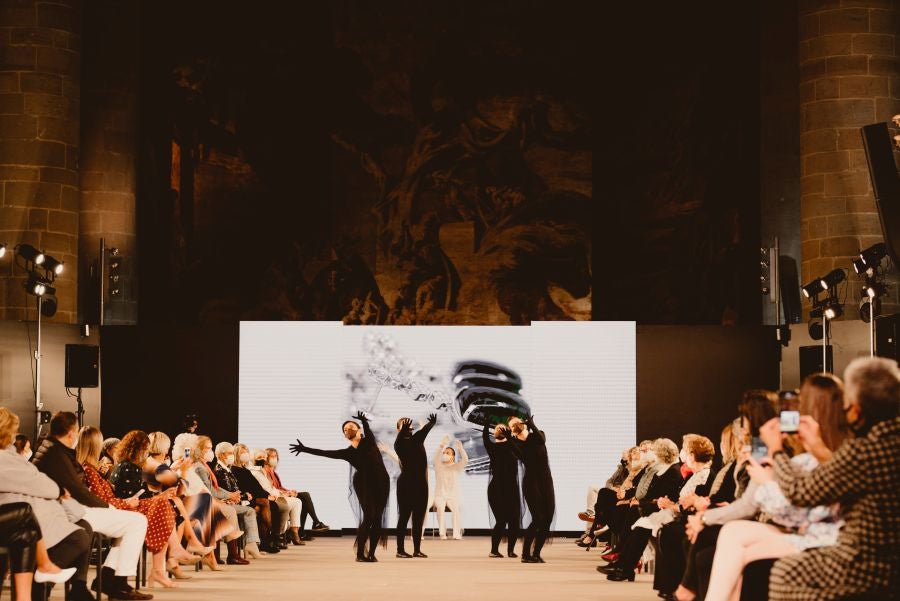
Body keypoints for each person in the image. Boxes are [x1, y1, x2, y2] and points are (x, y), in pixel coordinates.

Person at [761, 357, 900, 601]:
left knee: (785, 572)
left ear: (857, 407)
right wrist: (817, 448)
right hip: (890, 560)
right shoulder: (885, 444)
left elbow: (800, 491)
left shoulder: (864, 450)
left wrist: (776, 451)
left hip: (866, 564)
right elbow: (845, 476)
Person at [704, 373, 848, 601]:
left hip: (819, 536)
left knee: (736, 548)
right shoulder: (804, 454)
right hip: (803, 529)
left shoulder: (783, 449)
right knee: (733, 537)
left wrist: (767, 479)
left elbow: (791, 513)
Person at [32, 412, 152, 601]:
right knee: (137, 522)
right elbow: (79, 491)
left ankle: (109, 580)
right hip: (67, 510)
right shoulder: (56, 453)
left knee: (133, 523)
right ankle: (114, 581)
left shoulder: (50, 448)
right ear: (71, 433)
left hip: (66, 507)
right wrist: (110, 508)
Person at [0, 408, 93, 601]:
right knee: (76, 535)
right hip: (19, 511)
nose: (14, 436)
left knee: (29, 533)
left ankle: (60, 584)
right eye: (13, 431)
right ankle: (44, 573)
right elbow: (35, 482)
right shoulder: (5, 459)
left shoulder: (10, 456)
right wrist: (58, 491)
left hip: (25, 512)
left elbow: (32, 480)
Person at [79, 428, 182, 589]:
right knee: (152, 512)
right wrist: (126, 503)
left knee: (162, 505)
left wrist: (127, 501)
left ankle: (114, 577)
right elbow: (101, 501)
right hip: (108, 511)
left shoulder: (95, 469)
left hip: (115, 507)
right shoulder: (92, 470)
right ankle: (119, 578)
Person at [289, 411, 390, 562]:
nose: (348, 430)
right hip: (363, 484)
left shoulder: (369, 441)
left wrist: (364, 421)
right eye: (345, 430)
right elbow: (325, 453)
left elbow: (368, 431)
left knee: (378, 518)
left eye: (351, 427)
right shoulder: (348, 453)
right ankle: (360, 554)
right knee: (369, 516)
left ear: (359, 430)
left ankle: (371, 553)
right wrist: (305, 449)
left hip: (381, 483)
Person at [191, 435, 251, 565]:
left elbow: (213, 487)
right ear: (199, 450)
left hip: (207, 500)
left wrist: (230, 495)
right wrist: (229, 496)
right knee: (229, 511)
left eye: (211, 448)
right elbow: (210, 490)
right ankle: (232, 554)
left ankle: (222, 554)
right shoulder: (199, 467)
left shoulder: (204, 465)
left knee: (228, 510)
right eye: (208, 448)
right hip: (200, 503)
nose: (210, 451)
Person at [508, 415, 555, 563]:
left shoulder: (538, 435)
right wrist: (509, 439)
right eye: (512, 425)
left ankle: (536, 554)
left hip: (546, 481)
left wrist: (532, 425)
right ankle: (525, 554)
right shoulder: (516, 443)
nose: (516, 425)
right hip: (531, 482)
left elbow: (541, 440)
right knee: (538, 518)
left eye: (517, 422)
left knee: (548, 518)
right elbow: (522, 456)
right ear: (511, 430)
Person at [393, 413, 437, 558]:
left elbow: (425, 430)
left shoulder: (417, 438)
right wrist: (402, 431)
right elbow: (399, 443)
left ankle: (417, 550)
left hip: (421, 484)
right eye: (404, 425)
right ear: (399, 429)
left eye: (409, 425)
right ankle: (400, 550)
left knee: (418, 518)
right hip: (406, 485)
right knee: (404, 517)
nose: (408, 427)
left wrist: (431, 423)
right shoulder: (399, 444)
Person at [263, 448, 329, 541]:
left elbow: (280, 487)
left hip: (281, 494)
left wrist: (289, 491)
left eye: (275, 456)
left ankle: (304, 530)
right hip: (276, 496)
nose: (274, 458)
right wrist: (287, 493)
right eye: (272, 456)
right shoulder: (266, 471)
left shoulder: (274, 472)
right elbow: (272, 489)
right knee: (305, 496)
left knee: (304, 498)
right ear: (266, 458)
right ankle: (314, 523)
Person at [231, 443, 282, 553]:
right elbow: (243, 488)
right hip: (245, 499)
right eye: (242, 452)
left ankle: (266, 540)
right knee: (264, 503)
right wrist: (266, 496)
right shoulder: (234, 470)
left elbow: (256, 487)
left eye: (246, 452)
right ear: (236, 454)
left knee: (267, 506)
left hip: (253, 497)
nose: (245, 454)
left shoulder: (245, 469)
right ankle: (271, 536)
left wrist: (267, 495)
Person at [483, 423, 520, 558]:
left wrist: (510, 438)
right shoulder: (492, 447)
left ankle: (511, 550)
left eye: (502, 428)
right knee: (501, 520)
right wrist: (486, 424)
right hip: (496, 489)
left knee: (514, 520)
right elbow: (485, 439)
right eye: (497, 428)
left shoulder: (513, 446)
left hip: (511, 489)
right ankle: (494, 550)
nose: (499, 429)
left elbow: (518, 451)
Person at [433, 436, 468, 540]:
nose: (445, 454)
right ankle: (442, 533)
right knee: (440, 508)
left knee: (456, 510)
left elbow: (465, 460)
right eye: (444, 453)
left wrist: (461, 449)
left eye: (448, 453)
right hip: (440, 495)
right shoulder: (438, 465)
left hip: (453, 495)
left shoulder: (456, 467)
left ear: (453, 456)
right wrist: (441, 446)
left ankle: (456, 533)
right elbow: (436, 457)